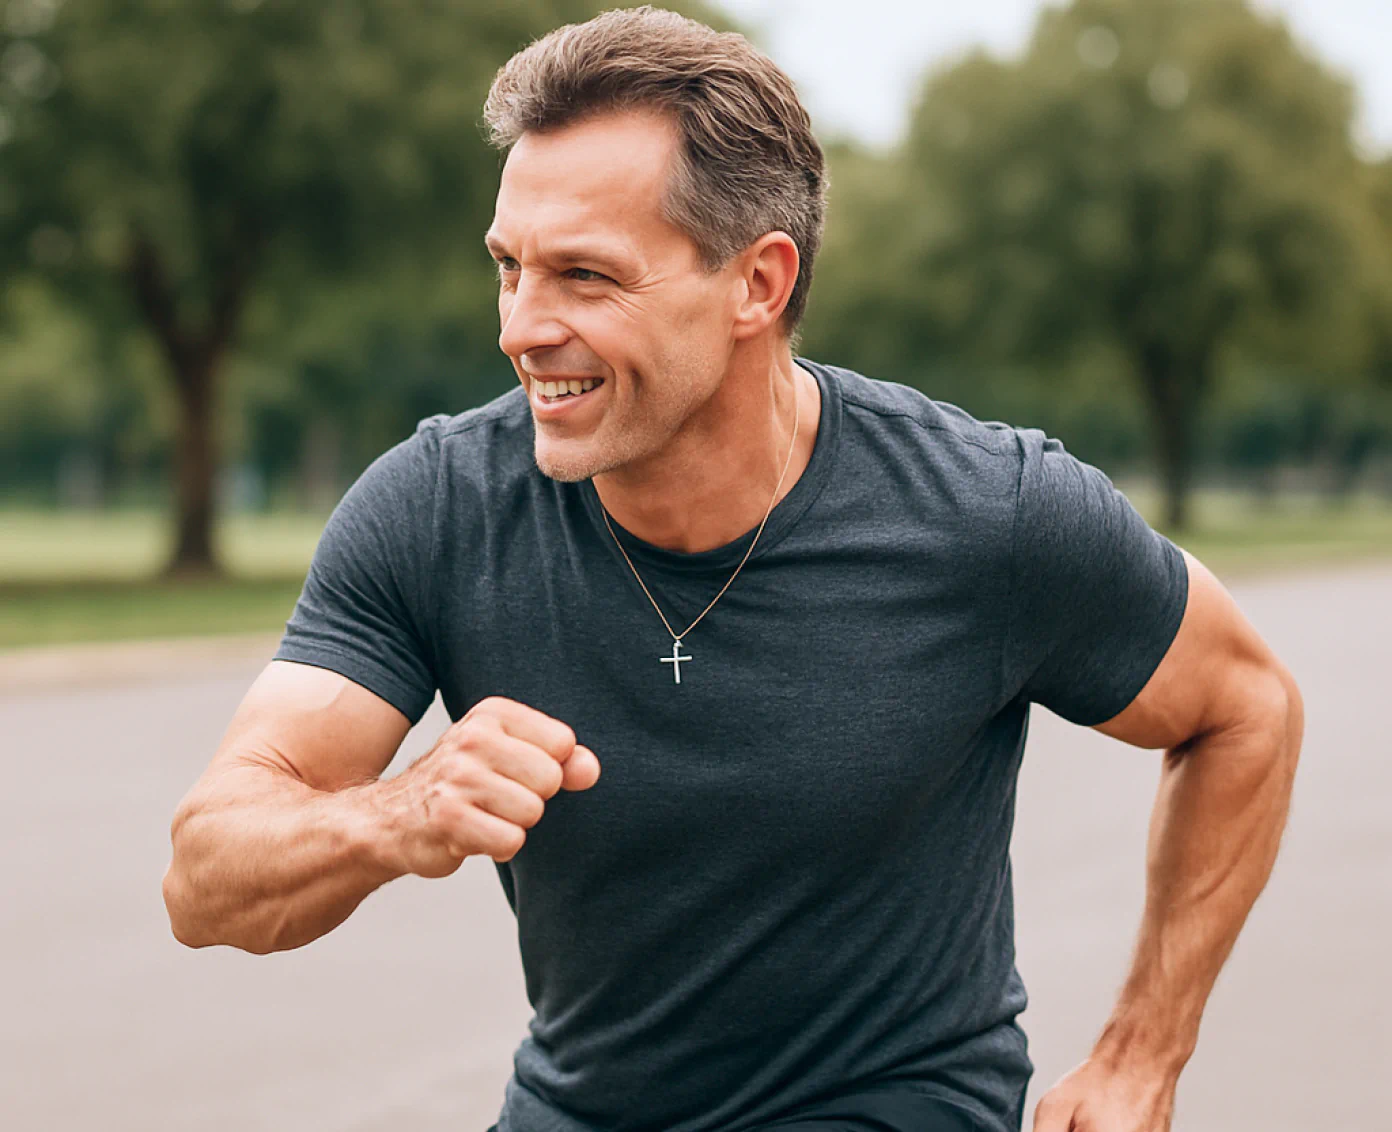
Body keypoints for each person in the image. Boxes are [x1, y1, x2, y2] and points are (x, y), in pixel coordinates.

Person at [161, 8, 1304, 1132]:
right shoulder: (438, 508)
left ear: (757, 283)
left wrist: (1141, 1057)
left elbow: (1246, 706)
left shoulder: (986, 513)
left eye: (585, 277)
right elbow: (206, 879)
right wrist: (395, 813)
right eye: (508, 266)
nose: (520, 324)